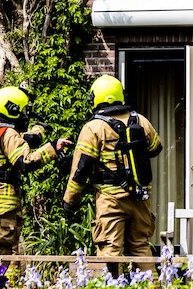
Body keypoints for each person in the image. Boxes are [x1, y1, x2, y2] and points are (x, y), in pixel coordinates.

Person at [63, 74, 162, 274]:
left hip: (110, 201)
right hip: (140, 199)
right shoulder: (141, 120)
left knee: (110, 253)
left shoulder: (93, 128)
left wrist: (69, 201)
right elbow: (156, 148)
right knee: (141, 248)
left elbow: (81, 170)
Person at [0, 86, 71, 255]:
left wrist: (38, 131)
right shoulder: (7, 132)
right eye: (22, 110)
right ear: (12, 108)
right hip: (1, 208)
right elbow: (25, 163)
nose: (24, 115)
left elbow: (22, 141)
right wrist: (52, 148)